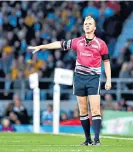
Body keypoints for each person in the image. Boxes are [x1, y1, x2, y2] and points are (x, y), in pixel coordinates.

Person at [28, 16, 111, 146]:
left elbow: (106, 62)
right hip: (79, 78)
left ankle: (97, 139)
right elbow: (59, 44)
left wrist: (109, 80)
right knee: (83, 110)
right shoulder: (77, 42)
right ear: (83, 27)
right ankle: (87, 139)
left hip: (93, 78)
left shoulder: (101, 44)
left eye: (90, 24)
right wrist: (42, 46)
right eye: (85, 24)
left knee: (95, 110)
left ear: (94, 27)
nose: (87, 25)